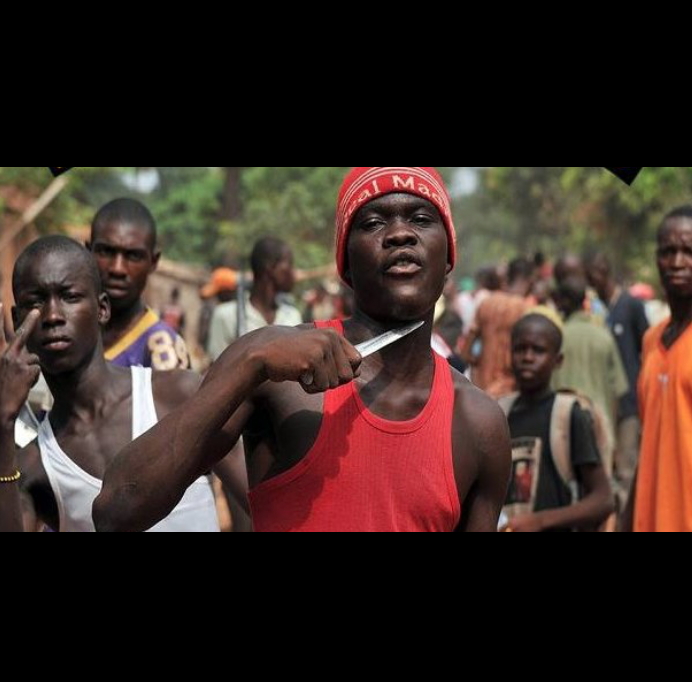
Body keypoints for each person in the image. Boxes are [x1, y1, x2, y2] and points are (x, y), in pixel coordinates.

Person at [94, 166, 512, 533]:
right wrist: (249, 358)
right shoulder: (279, 374)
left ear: (449, 255)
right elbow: (118, 509)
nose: (400, 233)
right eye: (372, 223)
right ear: (345, 262)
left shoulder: (478, 424)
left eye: (421, 218)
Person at [0, 237, 244, 532]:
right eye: (36, 302)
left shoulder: (177, 395)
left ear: (102, 309)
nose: (52, 316)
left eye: (69, 296)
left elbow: (257, 503)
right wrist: (3, 421)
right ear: (16, 321)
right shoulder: (35, 467)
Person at [499, 312, 614, 532]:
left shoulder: (569, 414)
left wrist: (540, 521)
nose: (528, 357)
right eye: (520, 349)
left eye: (538, 350)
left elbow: (603, 499)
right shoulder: (499, 413)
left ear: (558, 360)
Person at [629, 206, 692, 532]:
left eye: (688, 251)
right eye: (669, 251)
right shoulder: (652, 340)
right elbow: (647, 439)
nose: (678, 262)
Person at [87, 198, 190, 371]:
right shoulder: (68, 331)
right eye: (106, 252)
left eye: (133, 256)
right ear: (88, 251)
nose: (117, 269)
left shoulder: (162, 349)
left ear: (153, 262)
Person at [586, 253, 649, 504]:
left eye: (595, 278)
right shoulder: (593, 310)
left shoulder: (631, 306)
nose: (593, 284)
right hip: (602, 399)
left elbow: (646, 348)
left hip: (628, 401)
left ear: (605, 274)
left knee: (625, 466)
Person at [552, 276, 629, 476]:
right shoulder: (603, 337)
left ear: (562, 301)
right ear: (584, 301)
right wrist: (612, 436)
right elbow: (617, 391)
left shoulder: (555, 338)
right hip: (600, 430)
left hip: (562, 432)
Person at [207, 238, 302, 361]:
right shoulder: (226, 316)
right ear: (270, 268)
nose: (293, 273)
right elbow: (216, 370)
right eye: (289, 264)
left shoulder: (293, 316)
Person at [462, 258, 534, 398]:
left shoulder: (487, 303)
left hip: (480, 385)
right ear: (530, 281)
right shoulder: (526, 309)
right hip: (509, 389)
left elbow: (465, 351)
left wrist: (479, 363)